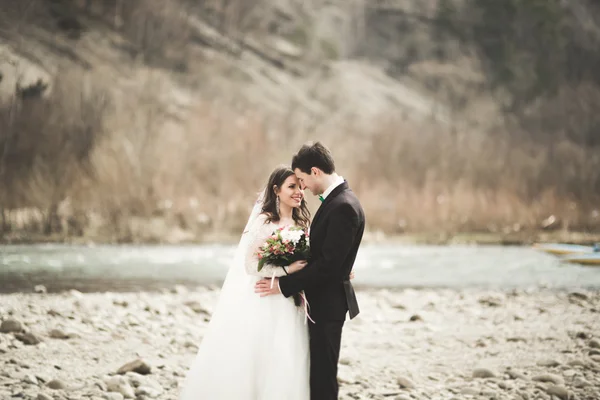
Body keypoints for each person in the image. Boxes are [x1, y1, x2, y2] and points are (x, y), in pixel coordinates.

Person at [179, 166, 312, 399]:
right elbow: (250, 265)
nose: (298, 191)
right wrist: (286, 268)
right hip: (264, 299)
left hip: (291, 301)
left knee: (287, 354)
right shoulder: (264, 222)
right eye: (291, 186)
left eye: (300, 187)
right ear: (276, 190)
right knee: (259, 354)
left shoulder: (303, 225)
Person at [255, 142, 365, 400]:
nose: (302, 187)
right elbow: (330, 257)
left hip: (327, 305)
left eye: (302, 179)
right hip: (321, 302)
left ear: (315, 171)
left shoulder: (343, 206)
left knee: (323, 376)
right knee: (316, 372)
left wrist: (282, 285)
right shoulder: (340, 202)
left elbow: (327, 266)